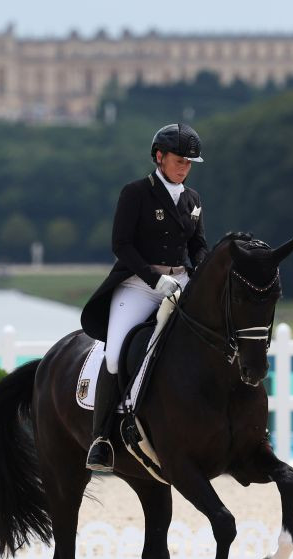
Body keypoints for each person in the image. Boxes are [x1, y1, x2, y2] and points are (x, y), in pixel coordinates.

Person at [78, 122, 210, 472]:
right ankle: (102, 439)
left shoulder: (193, 199)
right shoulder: (136, 192)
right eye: (179, 160)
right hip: (138, 285)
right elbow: (121, 245)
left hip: (179, 283)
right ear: (159, 157)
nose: (184, 167)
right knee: (115, 354)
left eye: (189, 163)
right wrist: (154, 279)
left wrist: (199, 272)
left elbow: (197, 245)